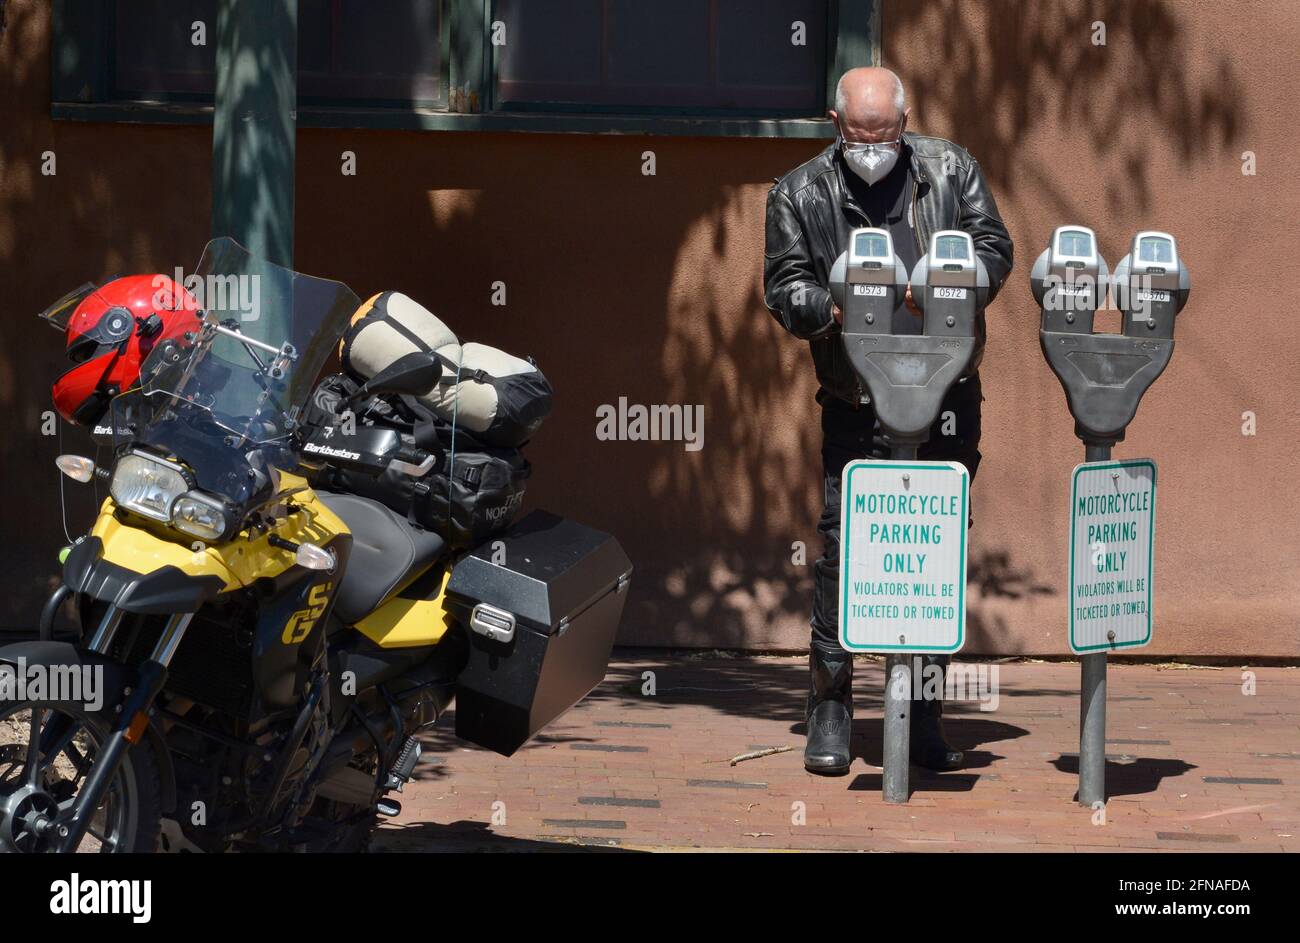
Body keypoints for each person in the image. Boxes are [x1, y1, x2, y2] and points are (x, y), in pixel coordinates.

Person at [763, 67, 1014, 775]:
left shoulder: (951, 169)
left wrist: (954, 286)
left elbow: (996, 248)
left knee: (932, 548)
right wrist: (838, 305)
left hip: (947, 394)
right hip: (856, 399)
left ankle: (923, 712)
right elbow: (783, 289)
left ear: (906, 122)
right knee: (845, 549)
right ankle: (832, 708)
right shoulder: (798, 193)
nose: (875, 146)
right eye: (861, 134)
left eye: (888, 133)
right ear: (835, 124)